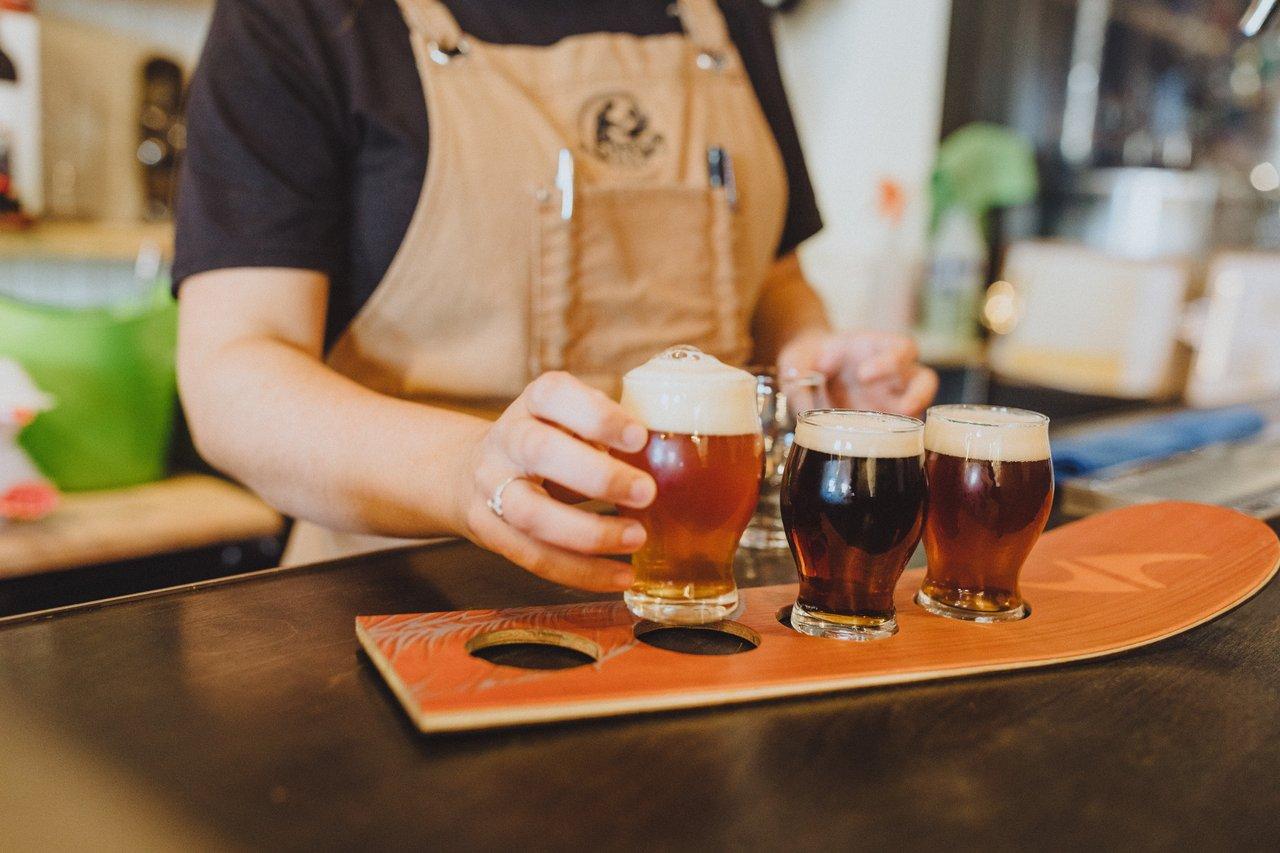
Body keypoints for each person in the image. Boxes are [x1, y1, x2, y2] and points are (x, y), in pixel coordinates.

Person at [174, 0, 938, 591]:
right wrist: (462, 471)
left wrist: (807, 361)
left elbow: (774, 281)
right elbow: (232, 372)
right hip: (401, 606)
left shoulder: (721, 15)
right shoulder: (302, 17)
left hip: (707, 602)